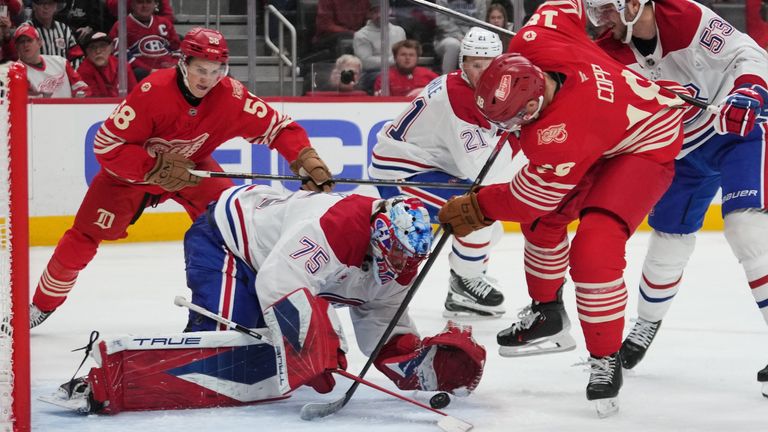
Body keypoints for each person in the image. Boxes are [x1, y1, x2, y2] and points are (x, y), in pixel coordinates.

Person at [438, 3, 690, 413]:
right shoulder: (533, 39)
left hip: (645, 144)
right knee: (542, 225)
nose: (514, 128)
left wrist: (477, 205)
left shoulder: (559, 137)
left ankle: (605, 358)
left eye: (517, 118)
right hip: (607, 131)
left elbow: (528, 198)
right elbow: (564, 4)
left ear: (534, 100)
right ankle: (548, 312)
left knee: (595, 249)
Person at [42, 188, 487, 414]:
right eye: (394, 255)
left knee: (271, 353)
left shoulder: (400, 263)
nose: (400, 267)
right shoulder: (336, 228)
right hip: (230, 240)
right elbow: (278, 282)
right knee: (226, 344)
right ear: (378, 237)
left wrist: (410, 363)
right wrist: (315, 343)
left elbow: (379, 328)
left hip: (279, 262)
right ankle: (113, 380)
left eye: (409, 259)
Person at [28, 27, 334, 329]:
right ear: (183, 63)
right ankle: (41, 304)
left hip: (192, 170)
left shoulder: (231, 96)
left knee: (234, 222)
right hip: (130, 177)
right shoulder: (153, 91)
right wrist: (152, 167)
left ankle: (249, 302)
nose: (208, 78)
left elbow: (278, 127)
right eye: (201, 69)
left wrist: (304, 157)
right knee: (82, 239)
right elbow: (106, 145)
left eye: (217, 70)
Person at [585, 0, 768, 394]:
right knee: (667, 238)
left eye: (607, 11)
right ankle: (647, 324)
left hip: (739, 128)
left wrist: (747, 92)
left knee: (747, 228)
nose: (602, 21)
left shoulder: (685, 16)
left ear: (632, 5)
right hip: (682, 147)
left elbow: (747, 53)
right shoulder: (609, 53)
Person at [369, 27, 512, 319]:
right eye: (474, 64)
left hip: (427, 166)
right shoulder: (460, 97)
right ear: (462, 62)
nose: (481, 72)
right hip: (402, 172)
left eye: (488, 65)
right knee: (475, 211)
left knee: (490, 225)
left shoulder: (473, 89)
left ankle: (467, 278)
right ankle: (464, 283)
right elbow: (478, 170)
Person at [108, 0, 180, 81]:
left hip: (169, 73)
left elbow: (177, 49)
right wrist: (149, 70)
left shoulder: (164, 23)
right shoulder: (121, 26)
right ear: (132, 5)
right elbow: (121, 56)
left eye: (148, 2)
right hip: (141, 78)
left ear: (155, 4)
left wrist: (174, 65)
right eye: (140, 2)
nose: (145, 6)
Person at [13, 22, 90, 97]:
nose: (25, 45)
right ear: (16, 47)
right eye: (21, 42)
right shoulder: (16, 73)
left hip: (68, 109)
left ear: (39, 43)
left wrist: (81, 95)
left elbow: (82, 87)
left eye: (29, 40)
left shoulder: (61, 62)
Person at [352, 3, 406, 93]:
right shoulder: (361, 35)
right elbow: (366, 63)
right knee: (388, 77)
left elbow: (404, 53)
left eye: (383, 11)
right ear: (369, 14)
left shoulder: (399, 31)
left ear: (390, 11)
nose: (380, 15)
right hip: (371, 74)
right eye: (375, 12)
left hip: (398, 70)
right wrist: (395, 61)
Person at [434, 0, 489, 74]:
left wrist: (469, 37)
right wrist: (459, 36)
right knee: (453, 45)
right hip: (447, 36)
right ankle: (448, 79)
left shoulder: (480, 2)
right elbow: (442, 22)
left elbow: (480, 24)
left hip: (472, 37)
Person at [76, 31, 137, 97]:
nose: (98, 51)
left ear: (111, 48)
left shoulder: (122, 66)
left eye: (102, 46)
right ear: (86, 52)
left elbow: (134, 93)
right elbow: (94, 100)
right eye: (92, 47)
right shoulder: (83, 71)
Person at [373, 39, 438, 97]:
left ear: (417, 58)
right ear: (395, 58)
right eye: (403, 54)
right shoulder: (384, 78)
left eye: (411, 55)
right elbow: (382, 103)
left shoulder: (429, 75)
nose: (407, 58)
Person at [27, 0, 82, 64]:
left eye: (50, 3)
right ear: (34, 6)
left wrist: (70, 72)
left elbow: (77, 57)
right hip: (36, 72)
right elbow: (22, 59)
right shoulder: (26, 29)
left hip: (63, 72)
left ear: (56, 6)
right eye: (42, 3)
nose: (46, 7)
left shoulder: (64, 29)